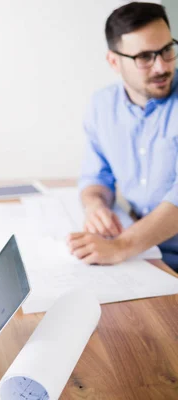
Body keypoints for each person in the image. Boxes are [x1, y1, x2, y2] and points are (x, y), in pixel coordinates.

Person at [67, 2, 178, 271]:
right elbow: (96, 176)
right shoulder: (102, 106)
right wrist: (95, 207)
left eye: (167, 50)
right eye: (144, 57)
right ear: (114, 61)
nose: (161, 66)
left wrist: (120, 246)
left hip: (146, 250)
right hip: (146, 252)